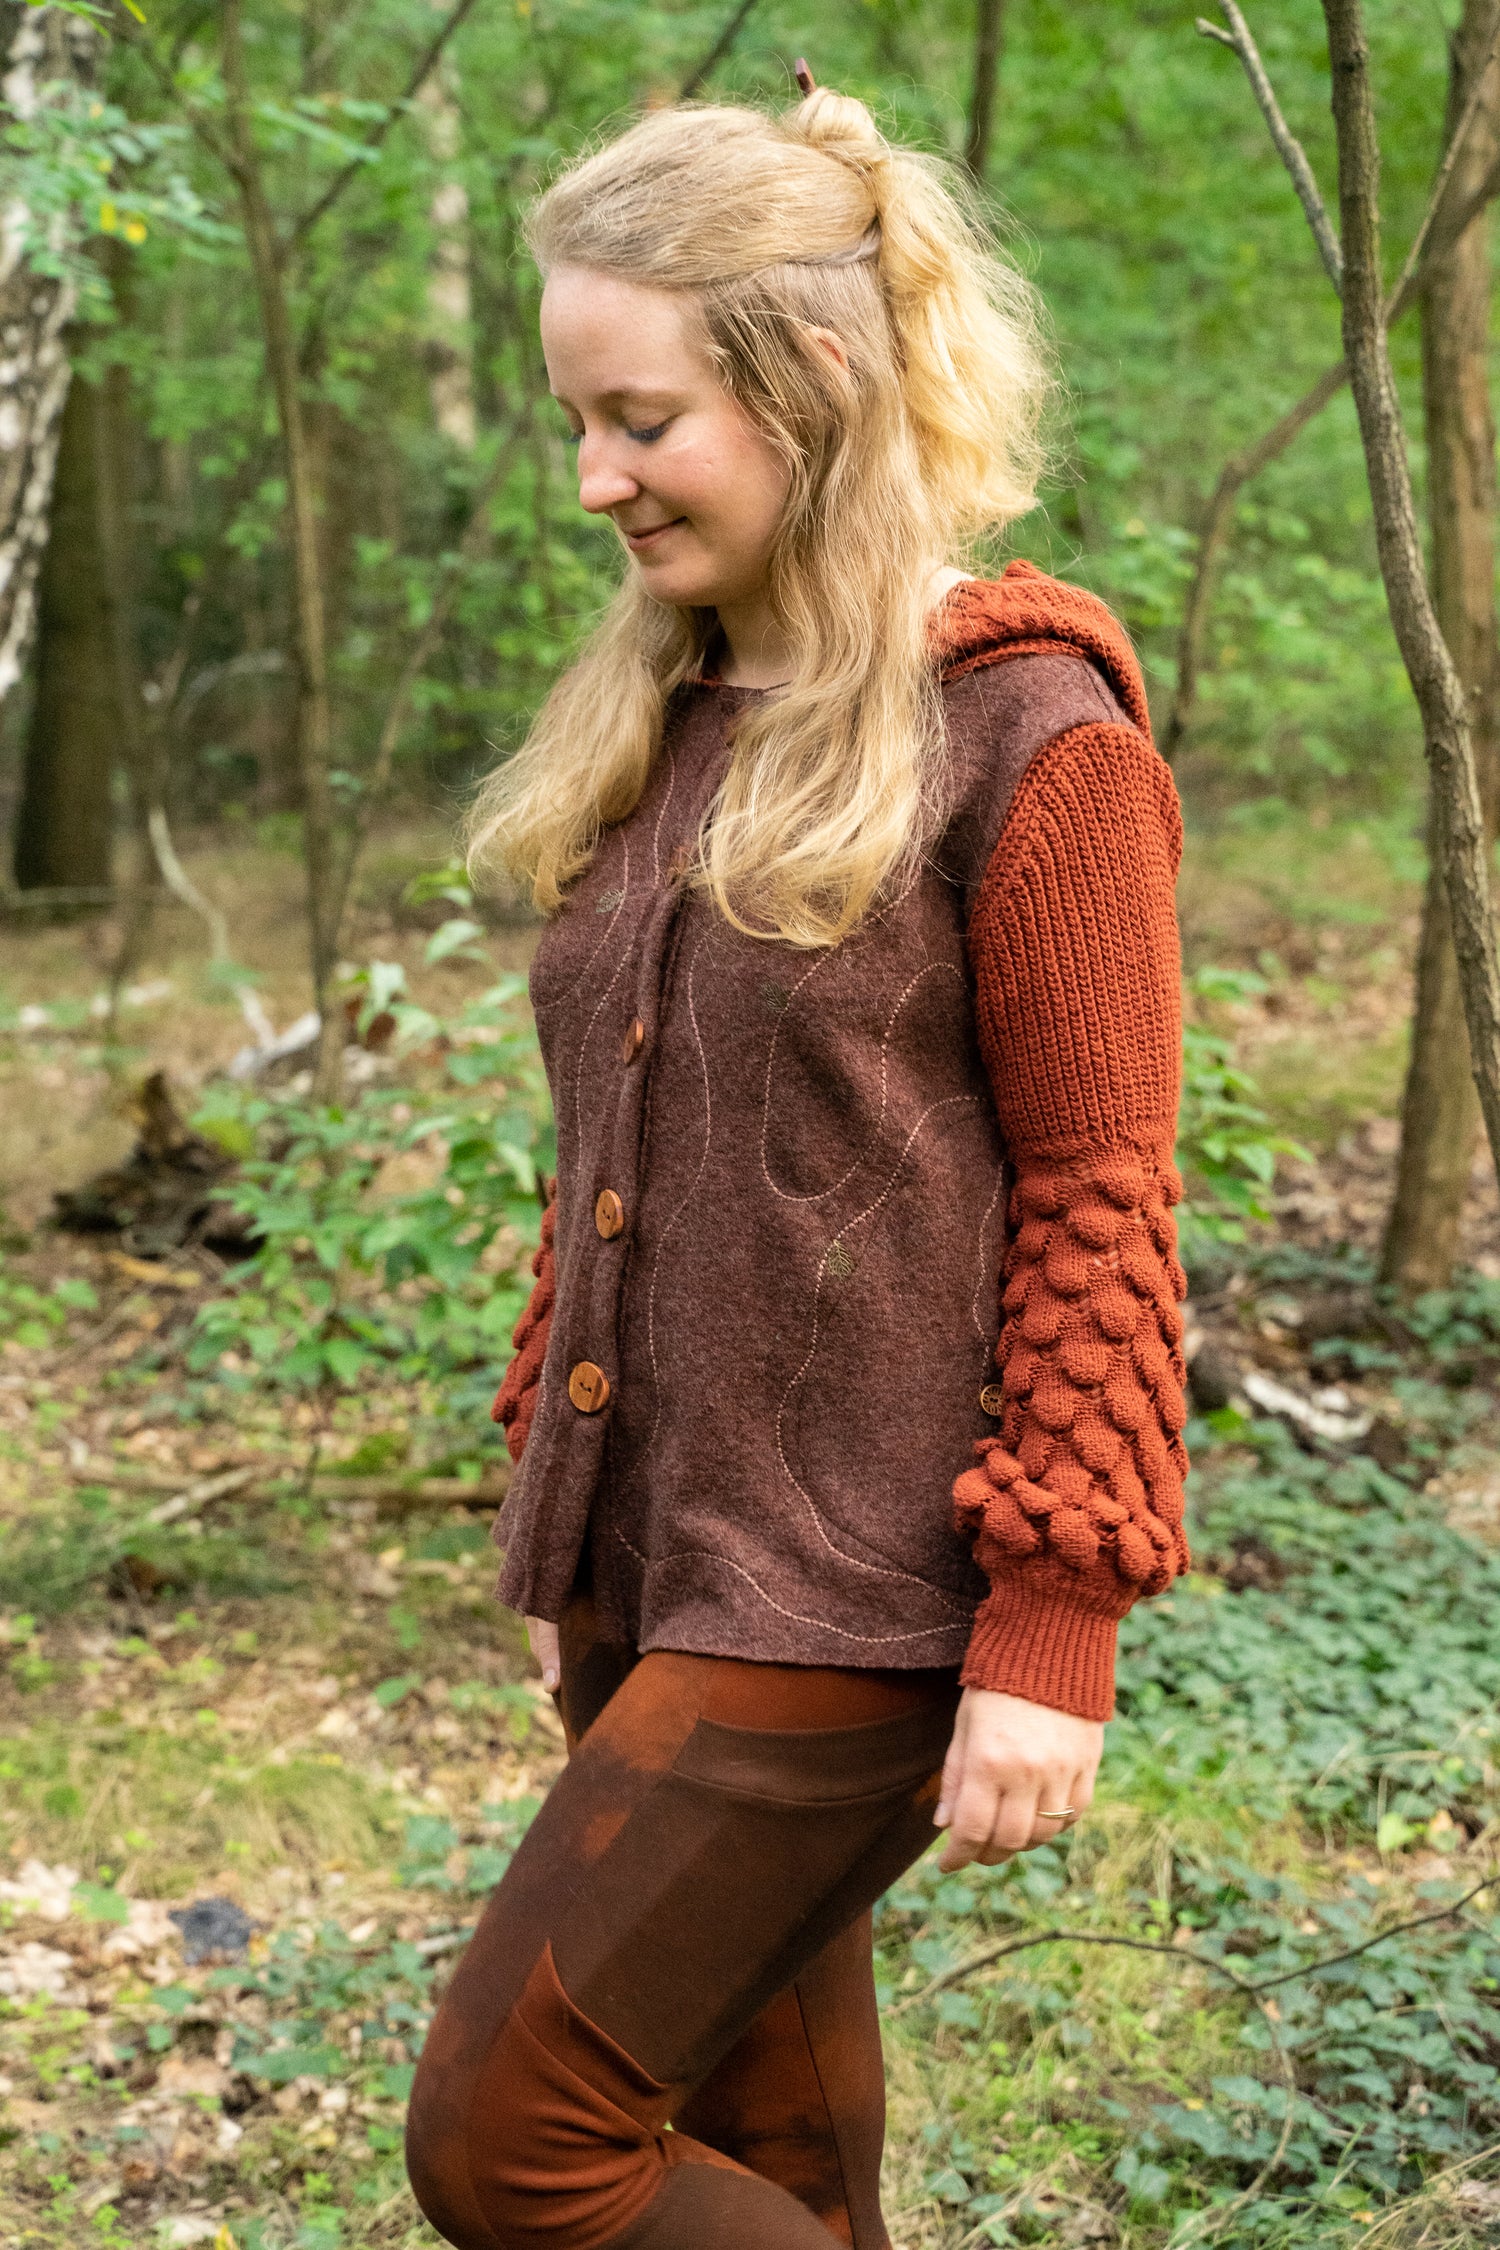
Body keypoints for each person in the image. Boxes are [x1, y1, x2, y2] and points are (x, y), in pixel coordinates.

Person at [406, 82, 1189, 2250]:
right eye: (578, 419)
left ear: (814, 383)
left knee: (514, 2140)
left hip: (859, 1596)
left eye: (641, 419)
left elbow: (1106, 1198)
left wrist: (1056, 1621)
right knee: (767, 2158)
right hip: (665, 1570)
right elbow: (612, 1160)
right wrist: (573, 1541)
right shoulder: (675, 714)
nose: (594, 477)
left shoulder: (1033, 740)